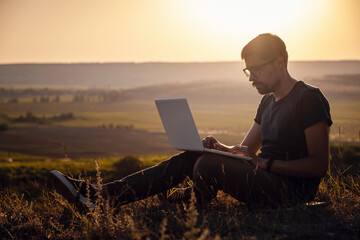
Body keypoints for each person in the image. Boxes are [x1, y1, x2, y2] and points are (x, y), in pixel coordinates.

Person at [49, 33, 332, 210]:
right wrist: (219, 147)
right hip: (264, 179)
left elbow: (319, 166)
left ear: (280, 62)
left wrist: (265, 164)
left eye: (256, 69)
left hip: (291, 193)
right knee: (195, 157)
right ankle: (102, 196)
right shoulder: (268, 101)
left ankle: (187, 199)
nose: (252, 77)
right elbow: (246, 152)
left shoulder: (308, 99)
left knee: (208, 165)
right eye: (248, 71)